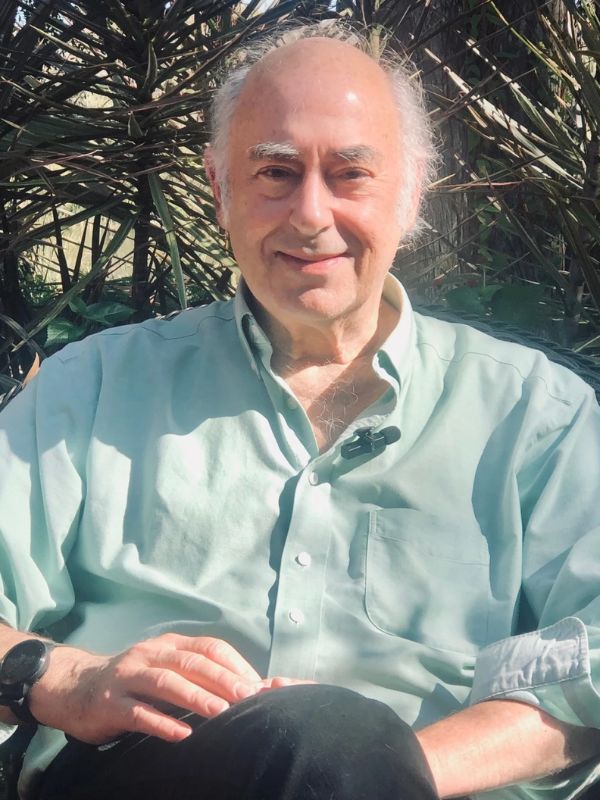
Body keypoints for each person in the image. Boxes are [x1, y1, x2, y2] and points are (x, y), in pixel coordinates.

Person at [0, 19, 600, 800]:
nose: (310, 214)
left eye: (350, 174)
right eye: (276, 173)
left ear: (412, 193)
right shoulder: (96, 389)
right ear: (220, 189)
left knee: (333, 744)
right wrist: (63, 678)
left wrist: (380, 777)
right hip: (146, 775)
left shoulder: (536, 419)